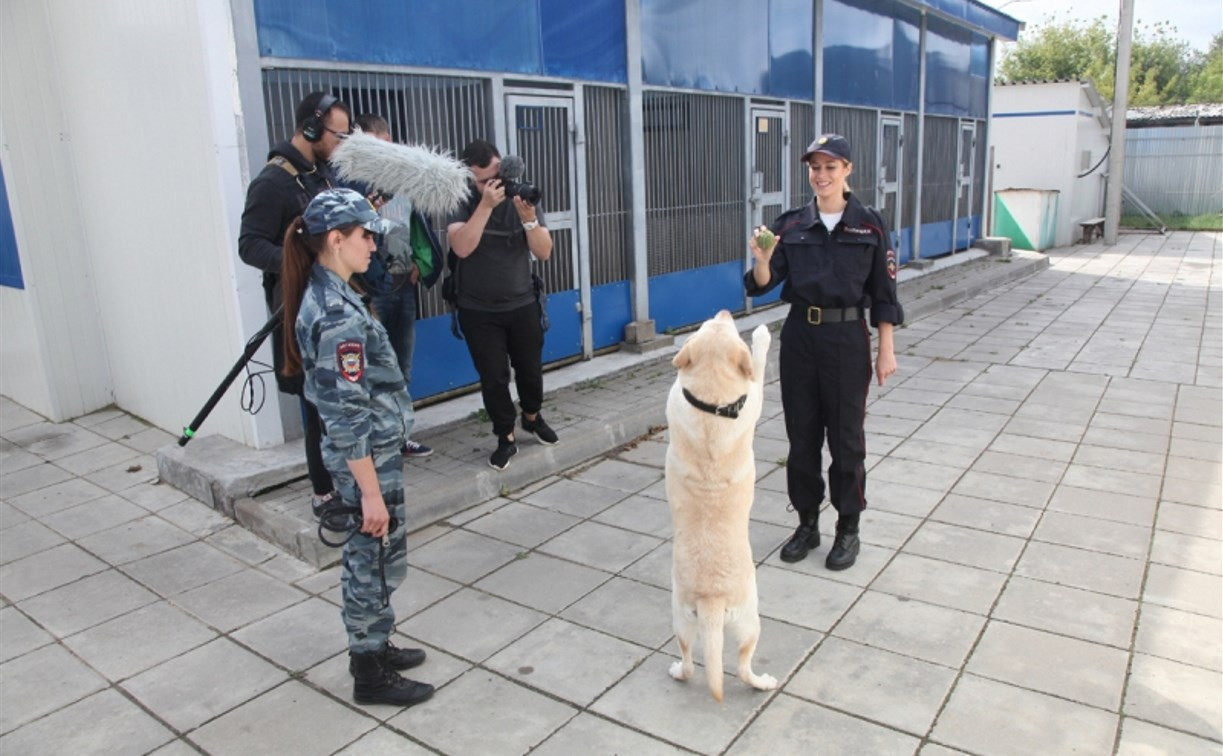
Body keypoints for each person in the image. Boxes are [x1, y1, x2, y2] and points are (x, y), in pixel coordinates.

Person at [281, 188, 433, 708]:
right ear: (335, 239)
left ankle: (377, 644)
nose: (373, 244)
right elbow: (345, 417)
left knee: (381, 558)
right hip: (364, 461)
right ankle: (369, 671)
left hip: (374, 453)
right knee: (369, 560)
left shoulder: (338, 294)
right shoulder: (336, 313)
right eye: (365, 235)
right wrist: (369, 493)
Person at [745, 133, 902, 571]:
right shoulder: (791, 224)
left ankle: (848, 529)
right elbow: (762, 283)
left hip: (848, 339)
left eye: (831, 167)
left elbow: (884, 291)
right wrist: (761, 257)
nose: (821, 175)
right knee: (802, 437)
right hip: (801, 338)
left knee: (847, 439)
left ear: (848, 170)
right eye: (815, 168)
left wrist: (884, 348)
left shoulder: (870, 224)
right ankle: (808, 523)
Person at [239, 91, 350, 518]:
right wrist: (297, 262)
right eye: (337, 135)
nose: (340, 144)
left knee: (341, 400)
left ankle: (347, 480)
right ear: (310, 129)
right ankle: (324, 494)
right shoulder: (272, 182)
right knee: (316, 406)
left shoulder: (321, 175)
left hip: (334, 304)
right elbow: (250, 246)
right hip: (301, 310)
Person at [446, 139, 559, 471]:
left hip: (522, 301)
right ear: (470, 179)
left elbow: (544, 252)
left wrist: (529, 219)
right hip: (478, 309)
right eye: (484, 180)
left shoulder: (521, 195)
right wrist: (484, 205)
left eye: (497, 176)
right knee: (494, 377)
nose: (494, 185)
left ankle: (532, 417)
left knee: (530, 369)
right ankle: (505, 436)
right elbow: (462, 248)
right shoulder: (462, 200)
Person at [350, 113, 444, 459]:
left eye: (386, 147)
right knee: (369, 368)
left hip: (404, 286)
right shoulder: (352, 186)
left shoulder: (403, 183)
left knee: (400, 366)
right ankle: (372, 443)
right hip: (370, 290)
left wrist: (421, 266)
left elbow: (422, 228)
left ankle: (400, 436)